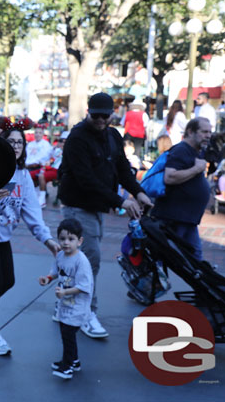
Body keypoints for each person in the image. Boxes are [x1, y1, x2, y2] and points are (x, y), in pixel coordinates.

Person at [0, 116, 60, 356]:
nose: (16, 147)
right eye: (11, 142)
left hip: (0, 236)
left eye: (19, 143)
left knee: (7, 281)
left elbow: (32, 212)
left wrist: (48, 240)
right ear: (2, 144)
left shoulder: (23, 176)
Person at [58, 92, 152, 339]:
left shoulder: (112, 135)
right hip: (79, 205)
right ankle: (86, 312)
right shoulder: (77, 138)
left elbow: (122, 169)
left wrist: (138, 192)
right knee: (90, 261)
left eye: (105, 115)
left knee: (80, 261)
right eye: (96, 115)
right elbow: (85, 179)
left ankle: (67, 305)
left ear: (112, 114)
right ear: (88, 112)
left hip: (97, 206)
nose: (100, 120)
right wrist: (121, 200)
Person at [38, 218, 92, 380]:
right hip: (65, 305)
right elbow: (56, 271)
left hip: (77, 306)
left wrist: (65, 293)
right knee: (66, 334)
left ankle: (67, 366)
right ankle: (73, 361)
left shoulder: (81, 261)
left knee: (68, 335)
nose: (66, 243)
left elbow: (84, 286)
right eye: (62, 239)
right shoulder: (61, 255)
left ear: (79, 241)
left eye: (71, 239)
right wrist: (48, 278)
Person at [151, 118, 211, 260]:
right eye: (204, 132)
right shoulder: (181, 150)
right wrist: (197, 169)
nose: (208, 135)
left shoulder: (196, 151)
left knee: (195, 261)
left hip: (187, 218)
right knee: (163, 257)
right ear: (190, 132)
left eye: (210, 132)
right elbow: (170, 177)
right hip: (174, 217)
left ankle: (202, 280)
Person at [25, 124, 54, 207]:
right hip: (28, 165)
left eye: (40, 133)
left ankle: (39, 196)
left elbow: (44, 158)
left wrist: (31, 164)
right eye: (36, 132)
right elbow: (27, 156)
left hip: (38, 166)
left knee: (34, 175)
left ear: (42, 134)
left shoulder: (46, 145)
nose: (37, 134)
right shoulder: (30, 144)